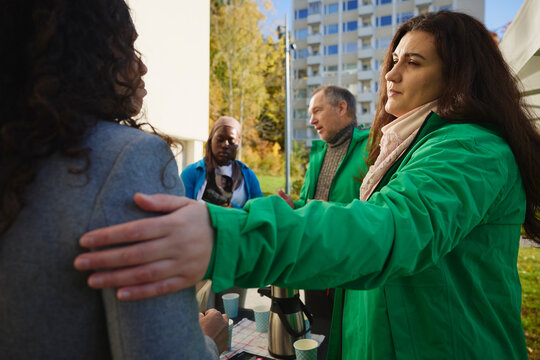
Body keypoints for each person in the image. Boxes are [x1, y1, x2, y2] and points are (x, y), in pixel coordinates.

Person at [74, 11, 540, 359]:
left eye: (412, 62)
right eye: (393, 60)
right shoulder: (402, 146)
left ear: (459, 75)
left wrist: (226, 236)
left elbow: (390, 229)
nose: (390, 74)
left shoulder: (473, 149)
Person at [0, 1, 227, 359]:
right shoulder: (129, 160)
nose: (142, 65)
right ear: (85, 55)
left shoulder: (17, 158)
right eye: (128, 46)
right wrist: (208, 341)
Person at [277, 85, 370, 355]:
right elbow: (313, 204)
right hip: (316, 267)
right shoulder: (318, 153)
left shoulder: (373, 146)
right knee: (320, 336)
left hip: (350, 273)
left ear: (341, 108)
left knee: (349, 343)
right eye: (309, 113)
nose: (311, 120)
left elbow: (372, 211)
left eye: (317, 110)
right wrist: (294, 206)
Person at [182, 116, 263, 311]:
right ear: (211, 140)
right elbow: (180, 211)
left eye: (232, 140)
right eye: (220, 139)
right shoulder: (193, 173)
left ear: (238, 143)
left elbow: (259, 213)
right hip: (200, 256)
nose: (225, 145)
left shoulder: (247, 176)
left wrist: (231, 210)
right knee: (199, 312)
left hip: (234, 256)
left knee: (231, 314)